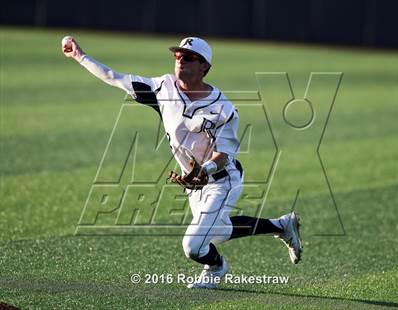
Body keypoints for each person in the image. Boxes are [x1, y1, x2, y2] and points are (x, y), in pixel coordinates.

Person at [62, 36, 302, 289]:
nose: (180, 61)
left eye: (188, 57)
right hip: (193, 185)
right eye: (177, 56)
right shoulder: (162, 89)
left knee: (193, 246)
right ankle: (281, 225)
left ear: (204, 67)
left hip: (222, 181)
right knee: (217, 232)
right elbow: (114, 77)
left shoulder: (224, 108)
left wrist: (205, 169)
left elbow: (223, 155)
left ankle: (216, 267)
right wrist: (80, 56)